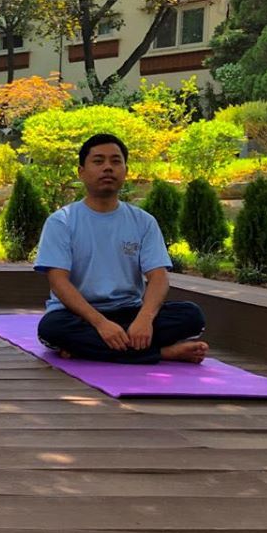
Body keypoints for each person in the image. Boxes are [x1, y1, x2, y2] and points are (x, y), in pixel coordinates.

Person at [34, 133, 208, 364]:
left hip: (130, 311)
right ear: (81, 172)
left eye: (115, 161)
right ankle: (163, 353)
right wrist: (101, 324)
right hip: (78, 314)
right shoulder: (62, 221)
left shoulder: (143, 221)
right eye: (98, 161)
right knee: (52, 329)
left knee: (192, 316)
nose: (108, 167)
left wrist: (145, 319)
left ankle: (89, 348)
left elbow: (158, 277)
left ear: (126, 171)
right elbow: (58, 282)